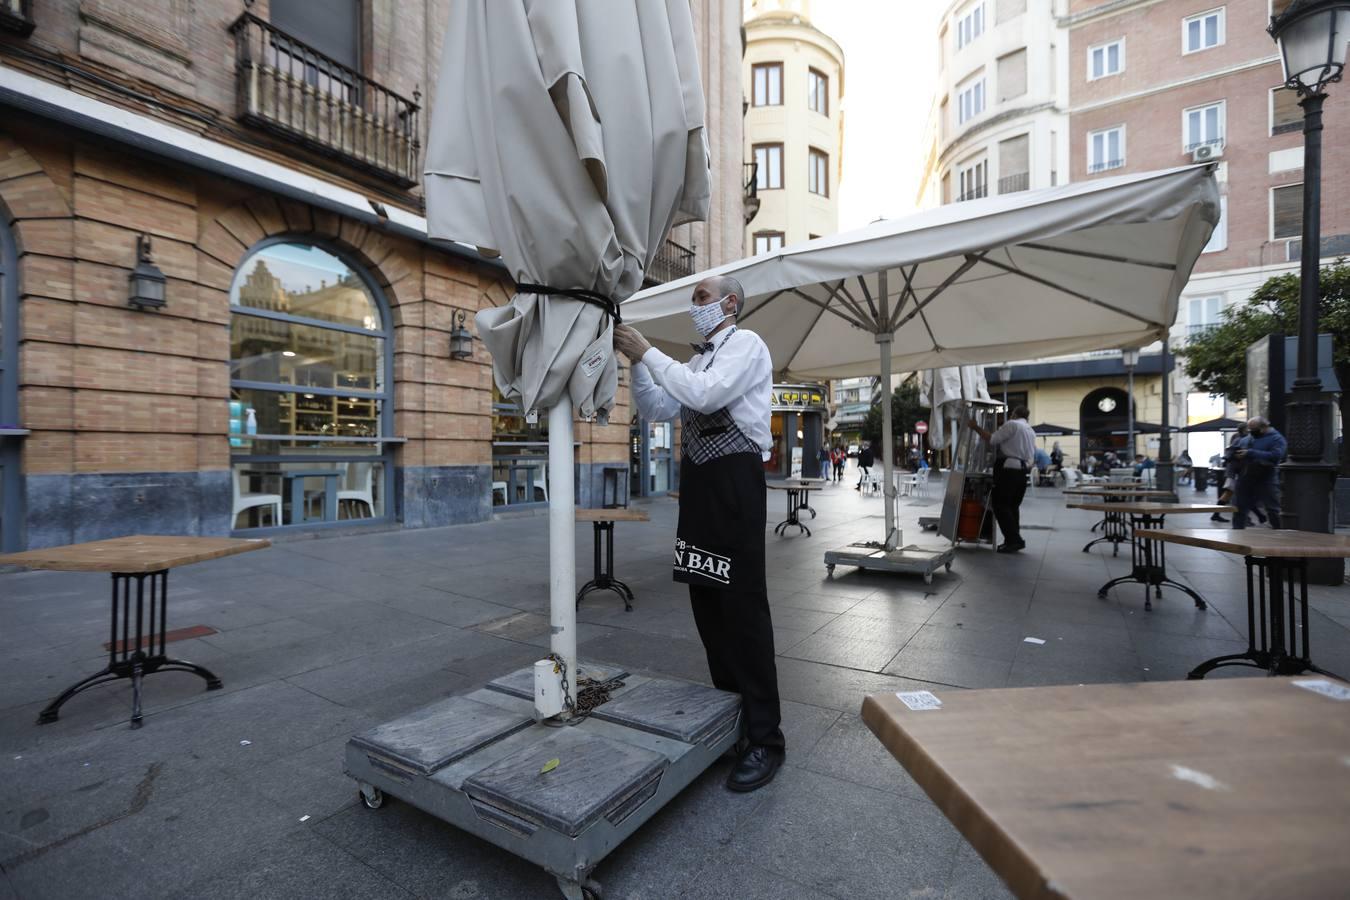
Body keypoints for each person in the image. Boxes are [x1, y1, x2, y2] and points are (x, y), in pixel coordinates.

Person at [614, 275, 785, 792]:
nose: (695, 306)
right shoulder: (693, 360)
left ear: (731, 302)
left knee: (742, 607)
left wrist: (649, 350)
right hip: (701, 483)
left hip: (736, 481)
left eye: (702, 297)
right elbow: (659, 408)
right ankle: (731, 720)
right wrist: (639, 363)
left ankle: (766, 739)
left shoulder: (747, 345)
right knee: (707, 602)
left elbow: (705, 397)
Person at [968, 405, 1036, 553]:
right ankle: (1012, 540)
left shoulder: (1012, 424)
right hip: (1022, 470)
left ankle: (1014, 540)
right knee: (1012, 507)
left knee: (1000, 505)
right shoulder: (1030, 430)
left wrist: (975, 427)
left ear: (1014, 414)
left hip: (1008, 469)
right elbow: (1031, 455)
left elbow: (992, 439)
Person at [1232, 416, 1286, 530]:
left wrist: (1251, 453)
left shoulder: (1277, 439)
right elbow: (1239, 450)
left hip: (1266, 477)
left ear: (1263, 427)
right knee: (1239, 508)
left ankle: (1280, 534)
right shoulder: (1247, 438)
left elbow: (1276, 456)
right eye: (1250, 430)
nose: (1251, 432)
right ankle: (1236, 534)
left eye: (1254, 429)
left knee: (1272, 508)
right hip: (1246, 476)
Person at [1212, 424, 1249, 523]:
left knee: (1229, 493)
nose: (1249, 431)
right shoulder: (1239, 439)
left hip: (1234, 471)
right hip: (1235, 471)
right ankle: (1216, 514)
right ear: (1243, 430)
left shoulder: (1238, 437)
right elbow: (1233, 454)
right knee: (1231, 493)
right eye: (1247, 429)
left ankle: (1216, 514)